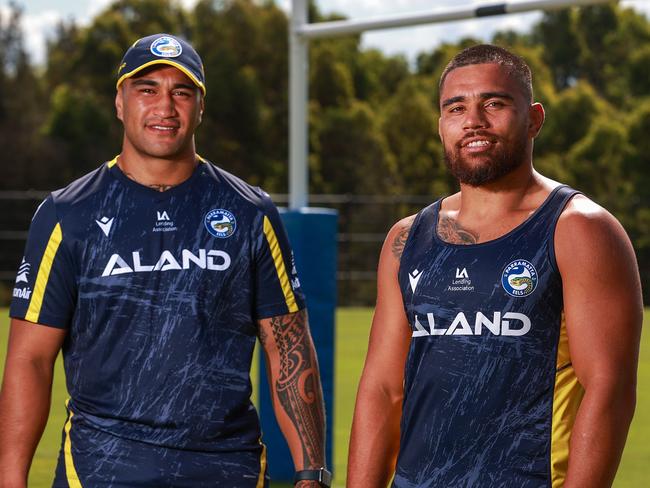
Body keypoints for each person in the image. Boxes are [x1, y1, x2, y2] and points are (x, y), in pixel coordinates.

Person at [0, 33, 330, 488]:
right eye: (147, 89)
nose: (165, 106)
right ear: (120, 101)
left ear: (200, 106)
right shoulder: (66, 214)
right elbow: (30, 360)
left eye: (182, 92)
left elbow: (289, 348)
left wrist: (312, 473)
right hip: (99, 470)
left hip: (226, 469)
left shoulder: (250, 212)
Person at [347, 44, 642, 488]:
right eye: (456, 108)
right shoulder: (406, 239)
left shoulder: (579, 230)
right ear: (441, 125)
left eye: (494, 103)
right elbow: (383, 391)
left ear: (534, 119)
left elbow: (609, 391)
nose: (474, 121)